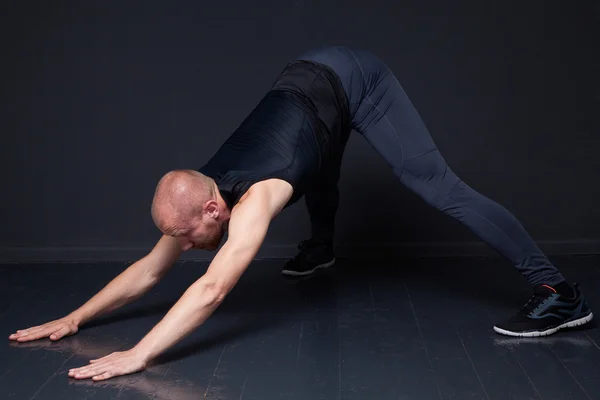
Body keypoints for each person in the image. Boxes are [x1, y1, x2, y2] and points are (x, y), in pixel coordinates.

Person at [8, 46, 593, 381]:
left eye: (188, 237)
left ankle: (559, 293)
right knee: (317, 170)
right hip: (303, 88)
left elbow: (213, 289)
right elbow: (151, 268)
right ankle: (323, 247)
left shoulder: (254, 198)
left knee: (436, 186)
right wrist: (77, 317)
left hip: (354, 80)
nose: (185, 246)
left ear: (214, 206)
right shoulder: (202, 195)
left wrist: (139, 354)